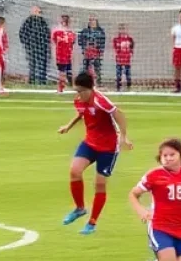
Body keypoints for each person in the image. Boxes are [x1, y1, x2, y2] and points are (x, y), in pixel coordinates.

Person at [57, 71, 133, 235]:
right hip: (90, 143)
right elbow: (81, 113)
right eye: (76, 91)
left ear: (90, 89)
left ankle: (92, 222)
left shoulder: (100, 101)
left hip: (108, 147)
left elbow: (119, 114)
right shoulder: (79, 100)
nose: (78, 95)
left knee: (99, 184)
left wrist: (124, 137)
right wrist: (68, 126)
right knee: (74, 171)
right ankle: (79, 208)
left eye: (81, 91)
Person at [19, 5, 50, 85]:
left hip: (41, 48)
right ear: (33, 12)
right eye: (38, 11)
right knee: (32, 64)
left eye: (39, 12)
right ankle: (32, 81)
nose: (39, 13)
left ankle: (42, 81)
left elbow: (47, 33)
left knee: (42, 64)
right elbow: (22, 33)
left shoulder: (42, 21)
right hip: (31, 48)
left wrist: (45, 44)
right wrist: (27, 44)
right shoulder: (28, 21)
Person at [52, 14, 76, 93]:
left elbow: (73, 44)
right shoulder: (57, 31)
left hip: (68, 55)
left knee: (69, 72)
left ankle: (69, 86)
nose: (64, 22)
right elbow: (54, 42)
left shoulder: (71, 32)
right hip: (61, 55)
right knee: (62, 72)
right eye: (63, 20)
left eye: (66, 20)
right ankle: (60, 88)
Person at [112, 23, 135, 92]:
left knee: (128, 74)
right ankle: (118, 88)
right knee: (118, 74)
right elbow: (115, 49)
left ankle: (129, 87)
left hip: (127, 59)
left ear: (126, 30)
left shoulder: (130, 39)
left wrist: (131, 55)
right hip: (119, 60)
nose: (122, 30)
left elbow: (131, 49)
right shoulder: (116, 39)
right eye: (120, 29)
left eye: (123, 29)